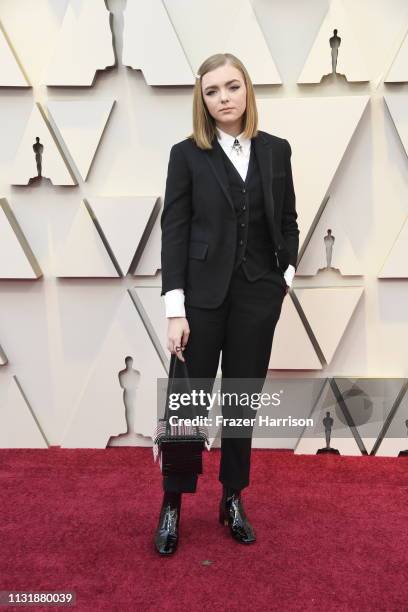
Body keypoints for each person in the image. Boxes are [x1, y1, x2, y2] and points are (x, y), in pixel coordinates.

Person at [155, 52, 299, 555]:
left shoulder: (277, 151)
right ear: (202, 98)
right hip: (200, 299)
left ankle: (232, 498)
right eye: (212, 91)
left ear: (247, 90)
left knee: (241, 403)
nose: (223, 99)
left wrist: (284, 276)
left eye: (231, 88)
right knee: (185, 403)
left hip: (257, 296)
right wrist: (176, 308)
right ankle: (172, 502)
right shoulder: (186, 154)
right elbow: (173, 232)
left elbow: (288, 220)